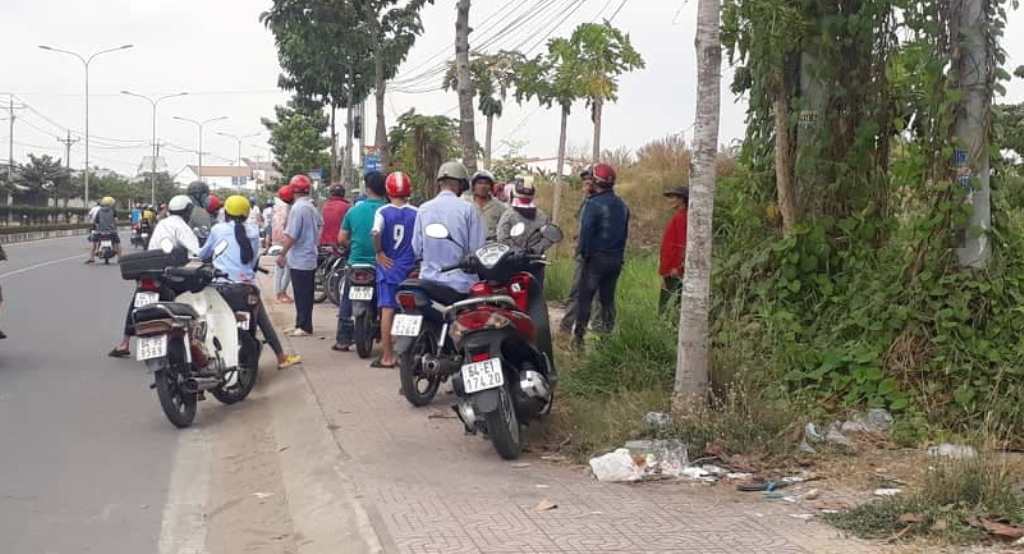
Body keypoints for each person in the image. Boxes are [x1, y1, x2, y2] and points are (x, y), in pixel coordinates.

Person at [199, 195, 302, 370]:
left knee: (206, 319)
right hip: (246, 288)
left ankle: (203, 361)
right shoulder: (253, 231)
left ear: (227, 213)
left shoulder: (218, 229)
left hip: (221, 287)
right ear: (247, 214)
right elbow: (252, 262)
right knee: (263, 320)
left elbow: (203, 254)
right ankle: (281, 357)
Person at [109, 195, 199, 357]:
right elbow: (196, 251)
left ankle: (124, 343)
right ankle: (190, 339)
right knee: (192, 293)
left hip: (148, 271)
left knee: (136, 305)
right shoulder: (181, 226)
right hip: (168, 273)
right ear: (188, 211)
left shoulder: (162, 223)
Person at [573, 163, 629, 348]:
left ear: (596, 182)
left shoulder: (593, 203)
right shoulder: (622, 205)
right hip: (615, 259)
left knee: (585, 299)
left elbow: (586, 232)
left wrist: (582, 254)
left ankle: (578, 340)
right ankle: (606, 340)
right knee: (607, 300)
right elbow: (624, 233)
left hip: (596, 259)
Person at [333, 172, 388, 352]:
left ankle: (342, 339)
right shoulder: (388, 210)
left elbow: (341, 238)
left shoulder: (354, 210)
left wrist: (353, 245)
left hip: (356, 264)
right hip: (381, 265)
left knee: (347, 300)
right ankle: (385, 332)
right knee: (386, 300)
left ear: (367, 188)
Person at [413, 161, 486, 294]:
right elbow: (477, 251)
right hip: (461, 285)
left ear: (440, 183)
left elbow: (417, 249)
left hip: (428, 282)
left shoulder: (424, 209)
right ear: (461, 184)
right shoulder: (469, 209)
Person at [370, 171, 418, 367]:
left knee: (387, 310)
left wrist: (379, 252)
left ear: (388, 191)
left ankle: (388, 356)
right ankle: (407, 355)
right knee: (410, 311)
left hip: (388, 268)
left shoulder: (382, 212)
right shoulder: (417, 212)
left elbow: (375, 232)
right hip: (410, 268)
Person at [559, 172, 608, 333]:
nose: (586, 186)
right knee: (576, 291)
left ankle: (596, 331)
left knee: (598, 295)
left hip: (598, 255)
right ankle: (566, 328)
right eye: (584, 183)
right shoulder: (586, 203)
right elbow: (581, 226)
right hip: (583, 255)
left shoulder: (604, 204)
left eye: (590, 183)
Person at [276, 175, 322, 337]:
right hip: (309, 254)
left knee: (302, 294)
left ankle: (303, 326)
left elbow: (291, 235)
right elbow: (320, 224)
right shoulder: (310, 207)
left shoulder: (298, 208)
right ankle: (301, 323)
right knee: (305, 293)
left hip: (300, 257)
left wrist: (282, 253)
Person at [496, 179, 552, 285]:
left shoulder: (509, 215)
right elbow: (502, 238)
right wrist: (529, 251)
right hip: (520, 262)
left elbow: (502, 238)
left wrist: (529, 250)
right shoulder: (509, 215)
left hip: (526, 262)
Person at [658, 186, 689, 315]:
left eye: (673, 197)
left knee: (665, 302)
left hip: (674, 269)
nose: (670, 200)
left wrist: (677, 267)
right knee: (672, 300)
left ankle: (666, 325)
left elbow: (682, 243)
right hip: (671, 267)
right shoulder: (679, 216)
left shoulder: (682, 218)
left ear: (682, 200)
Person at [464, 169, 507, 240]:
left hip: (492, 246)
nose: (483, 186)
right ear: (473, 186)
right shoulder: (465, 203)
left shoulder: (500, 207)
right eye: (479, 183)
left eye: (486, 183)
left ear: (491, 186)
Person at [270, 185, 295, 303]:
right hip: (286, 240)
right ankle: (280, 293)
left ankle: (280, 293)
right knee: (284, 269)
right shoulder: (290, 208)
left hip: (278, 239)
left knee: (281, 268)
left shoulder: (278, 206)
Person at [86, 196, 119, 264]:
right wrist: (114, 227)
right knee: (117, 243)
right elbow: (116, 221)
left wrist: (99, 228)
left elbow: (96, 222)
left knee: (94, 244)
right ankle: (120, 258)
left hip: (100, 232)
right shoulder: (113, 210)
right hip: (111, 231)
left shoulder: (99, 211)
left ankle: (91, 258)